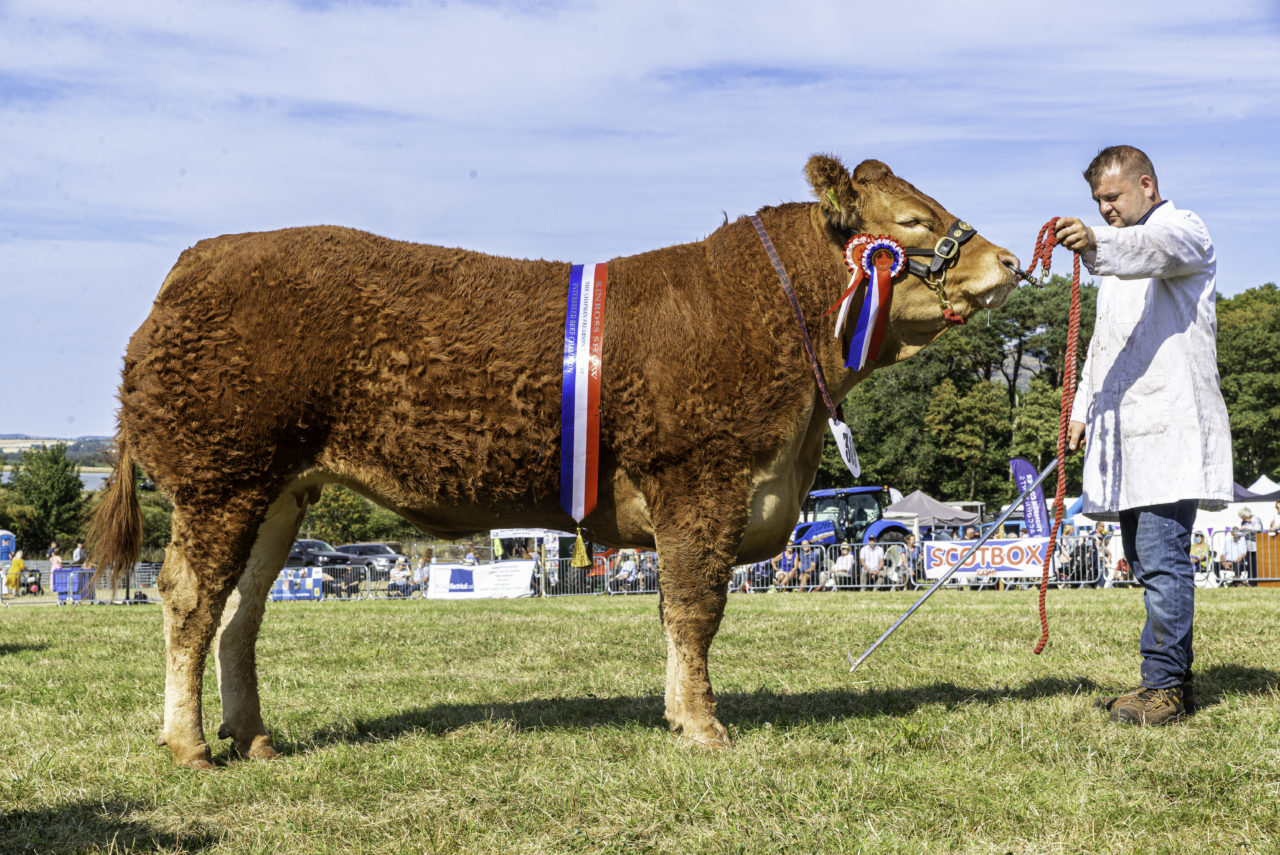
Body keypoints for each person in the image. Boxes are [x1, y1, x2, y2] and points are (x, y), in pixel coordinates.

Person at [1058, 145, 1232, 726]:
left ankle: (1167, 688)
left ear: (1147, 184)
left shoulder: (1183, 230)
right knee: (1142, 557)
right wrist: (1081, 410)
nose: (1105, 209)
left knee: (1161, 559)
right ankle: (1163, 678)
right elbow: (1104, 347)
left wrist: (1095, 243)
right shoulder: (1117, 266)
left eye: (1112, 197)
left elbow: (1152, 249)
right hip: (1127, 429)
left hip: (1170, 425)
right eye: (1097, 203)